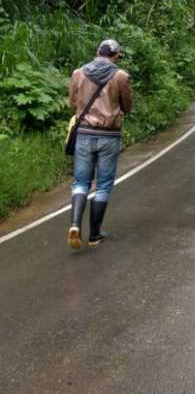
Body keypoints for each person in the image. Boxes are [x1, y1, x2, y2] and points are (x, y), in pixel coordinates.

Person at [67, 39, 132, 250]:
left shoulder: (78, 73)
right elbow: (127, 106)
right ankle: (94, 234)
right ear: (116, 56)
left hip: (84, 134)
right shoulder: (121, 76)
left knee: (80, 182)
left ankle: (75, 225)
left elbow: (72, 103)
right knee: (103, 185)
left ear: (97, 52)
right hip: (109, 136)